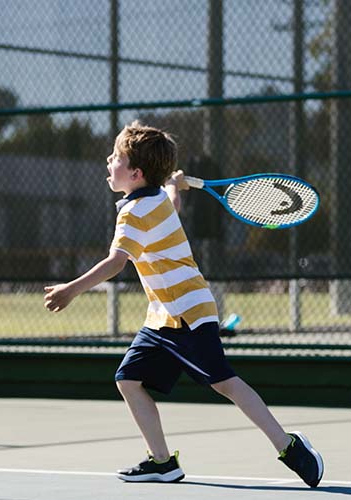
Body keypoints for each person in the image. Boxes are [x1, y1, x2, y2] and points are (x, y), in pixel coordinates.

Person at [43, 121, 324, 488]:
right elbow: (172, 206)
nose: (108, 161)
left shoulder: (133, 213)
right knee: (128, 379)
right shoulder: (156, 199)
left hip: (187, 313)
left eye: (116, 157)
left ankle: (290, 448)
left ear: (136, 172)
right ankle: (162, 463)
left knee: (225, 384)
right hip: (162, 317)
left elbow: (116, 261)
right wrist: (175, 187)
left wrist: (72, 289)